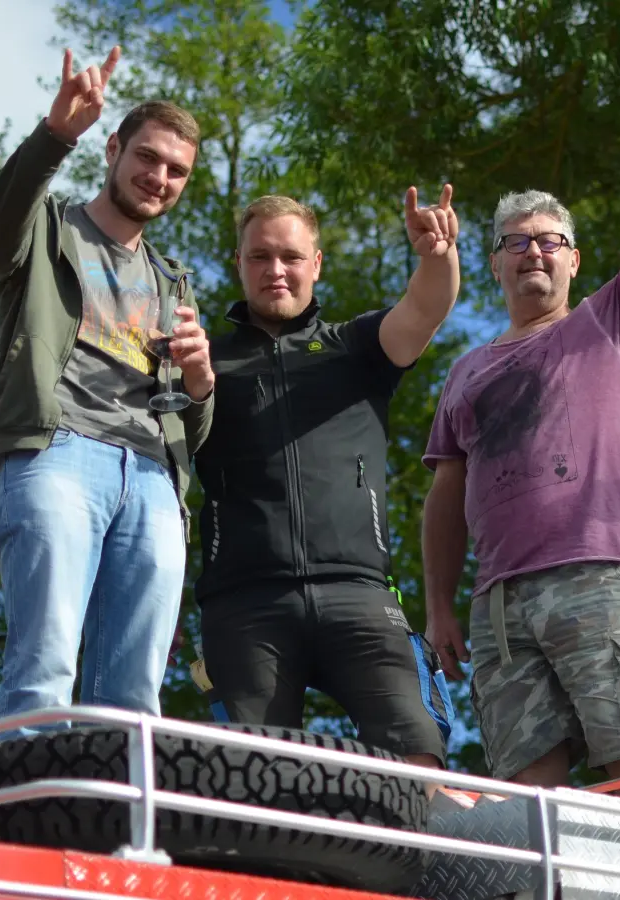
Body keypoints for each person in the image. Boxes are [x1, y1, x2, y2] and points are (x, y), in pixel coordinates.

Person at [420, 16, 620, 802]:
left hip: (601, 573)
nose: (535, 251)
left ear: (576, 259)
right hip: (500, 605)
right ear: (495, 265)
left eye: (551, 239)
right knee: (528, 797)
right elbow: (445, 496)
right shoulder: (467, 372)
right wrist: (441, 605)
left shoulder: (610, 322)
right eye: (517, 241)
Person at [0, 46, 216, 731]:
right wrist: (55, 135)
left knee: (134, 704)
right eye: (148, 158)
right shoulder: (47, 229)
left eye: (176, 171)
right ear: (112, 149)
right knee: (42, 673)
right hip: (57, 452)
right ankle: (21, 820)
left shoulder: (173, 282)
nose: (158, 177)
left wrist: (201, 382)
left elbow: (193, 430)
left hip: (155, 480)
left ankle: (111, 836)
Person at [190, 186, 462, 771]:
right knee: (252, 778)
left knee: (419, 755)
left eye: (290, 256)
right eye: (259, 256)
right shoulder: (203, 360)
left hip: (359, 594)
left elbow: (425, 310)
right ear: (238, 264)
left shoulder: (354, 346)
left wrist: (437, 257)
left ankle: (410, 864)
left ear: (316, 264)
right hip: (243, 602)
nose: (276, 270)